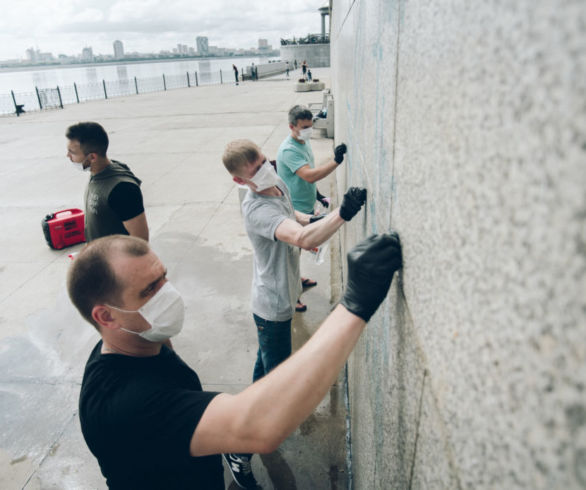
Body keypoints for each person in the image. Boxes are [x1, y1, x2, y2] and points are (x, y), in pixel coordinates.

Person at [69, 231, 401, 489]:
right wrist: (355, 304)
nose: (168, 293)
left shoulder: (135, 341)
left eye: (164, 277)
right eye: (150, 290)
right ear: (106, 316)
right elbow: (260, 426)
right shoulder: (125, 406)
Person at [221, 139, 367, 486]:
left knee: (264, 373)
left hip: (282, 299)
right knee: (277, 387)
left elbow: (294, 217)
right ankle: (238, 449)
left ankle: (236, 424)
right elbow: (299, 236)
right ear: (241, 181)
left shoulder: (276, 184)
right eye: (255, 170)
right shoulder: (256, 209)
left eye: (262, 159)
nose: (265, 168)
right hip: (271, 308)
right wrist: (340, 215)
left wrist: (315, 218)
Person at [276, 105, 348, 310]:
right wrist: (336, 161)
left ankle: (297, 281)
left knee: (296, 253)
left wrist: (319, 196)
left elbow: (307, 177)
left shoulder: (303, 142)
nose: (309, 129)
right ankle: (292, 297)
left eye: (311, 125)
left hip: (305, 206)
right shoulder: (289, 150)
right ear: (292, 126)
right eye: (304, 126)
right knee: (289, 257)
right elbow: (309, 175)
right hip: (294, 213)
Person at [66, 122, 149, 242]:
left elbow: (141, 240)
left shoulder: (122, 189)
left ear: (92, 157)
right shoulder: (96, 172)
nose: (68, 156)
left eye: (72, 152)